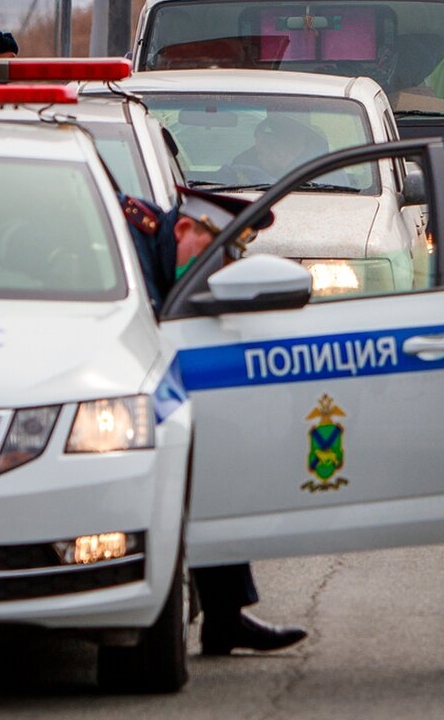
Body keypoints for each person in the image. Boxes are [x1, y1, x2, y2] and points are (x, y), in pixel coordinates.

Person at [120, 185, 308, 656]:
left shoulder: (165, 250)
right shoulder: (129, 247)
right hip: (116, 409)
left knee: (217, 454)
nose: (219, 271)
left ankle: (226, 617)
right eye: (218, 255)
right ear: (185, 228)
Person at [230, 115, 326, 184]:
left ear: (280, 154)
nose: (257, 158)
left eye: (261, 153)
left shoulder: (325, 174)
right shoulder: (244, 163)